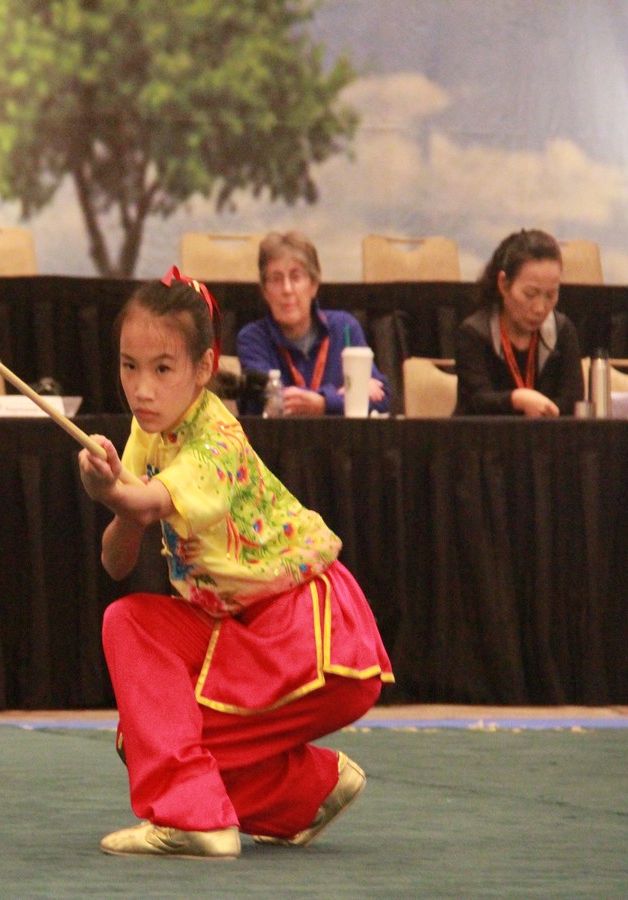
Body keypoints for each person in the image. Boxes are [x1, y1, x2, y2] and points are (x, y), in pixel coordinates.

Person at [78, 267, 394, 859]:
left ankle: (196, 819)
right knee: (129, 627)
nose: (141, 389)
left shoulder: (216, 439)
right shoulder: (148, 431)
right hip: (243, 632)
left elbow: (149, 503)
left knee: (157, 735)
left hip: (310, 632)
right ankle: (306, 793)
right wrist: (117, 499)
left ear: (204, 368)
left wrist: (114, 492)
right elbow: (116, 561)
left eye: (162, 369)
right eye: (129, 366)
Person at [236, 231, 390, 416]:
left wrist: (323, 403)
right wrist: (339, 397)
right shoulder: (253, 338)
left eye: (296, 277)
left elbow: (382, 397)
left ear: (314, 285)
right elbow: (268, 399)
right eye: (276, 279)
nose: (287, 289)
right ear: (265, 292)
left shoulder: (345, 328)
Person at [454, 229, 583, 416]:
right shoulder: (474, 332)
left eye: (550, 295)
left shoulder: (562, 330)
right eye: (530, 294)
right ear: (503, 284)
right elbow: (477, 401)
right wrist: (517, 400)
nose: (540, 308)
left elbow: (573, 402)